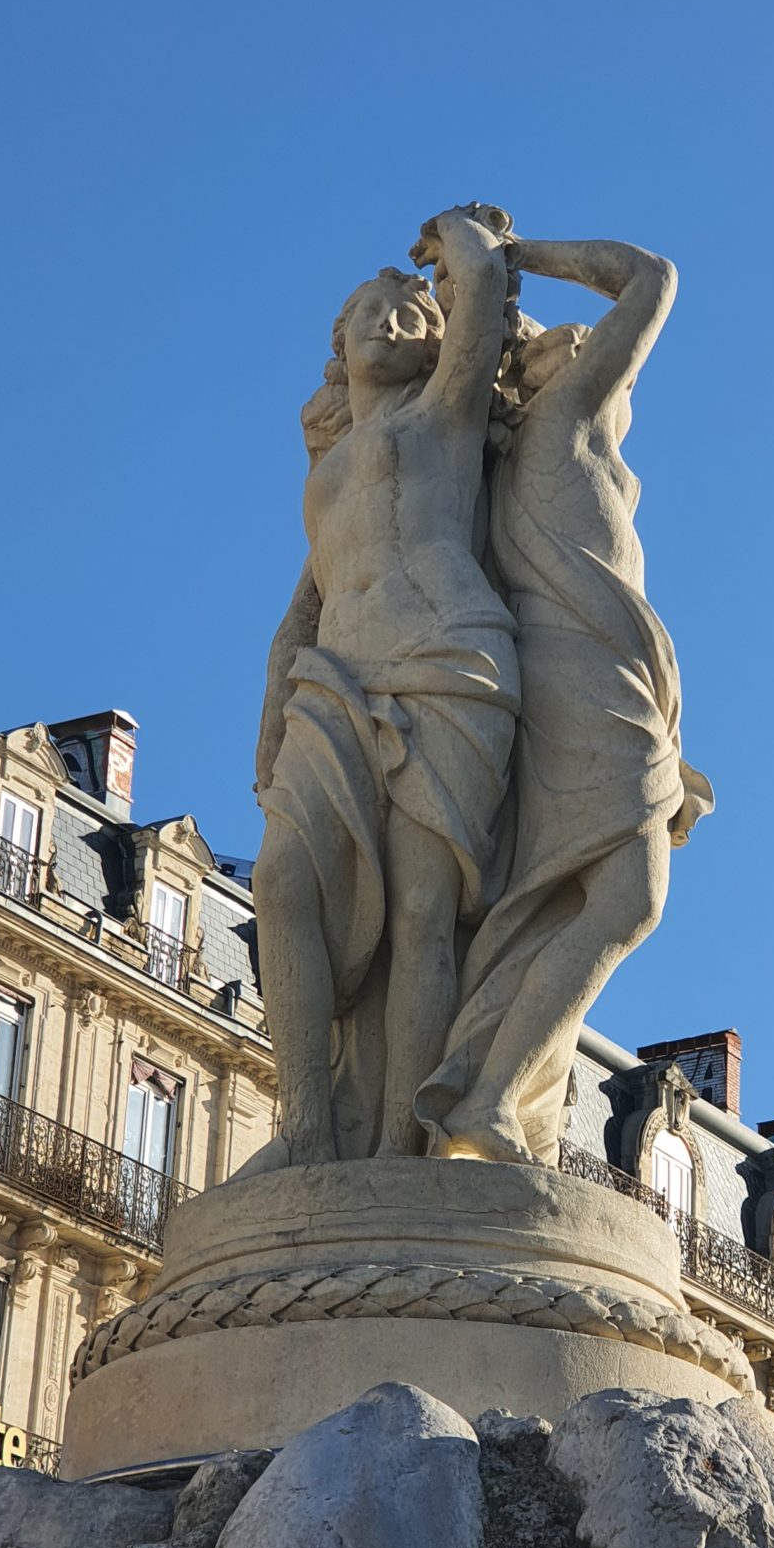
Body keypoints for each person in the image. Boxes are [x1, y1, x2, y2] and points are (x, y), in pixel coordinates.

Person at [414, 231, 712, 1166]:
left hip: (592, 680)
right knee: (630, 896)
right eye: (567, 347)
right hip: (586, 681)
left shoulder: (567, 448)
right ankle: (487, 1096)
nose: (590, 351)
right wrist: (516, 255)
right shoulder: (563, 426)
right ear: (541, 380)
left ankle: (492, 1088)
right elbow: (653, 279)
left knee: (572, 903)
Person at [252, 207, 520, 1162]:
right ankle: (307, 1124)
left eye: (411, 316)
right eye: (371, 310)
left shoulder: (444, 416)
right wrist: (271, 709)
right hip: (335, 680)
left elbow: (481, 307)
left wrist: (463, 246)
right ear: (340, 340)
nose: (389, 323)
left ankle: (404, 1145)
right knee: (282, 882)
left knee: (420, 914)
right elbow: (308, 603)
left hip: (453, 662)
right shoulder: (325, 473)